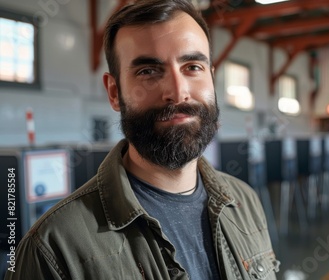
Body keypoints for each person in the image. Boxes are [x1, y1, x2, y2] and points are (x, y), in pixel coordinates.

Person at [5, 0, 279, 279]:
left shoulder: (244, 202)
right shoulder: (54, 248)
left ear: (211, 77)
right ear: (114, 92)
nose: (177, 91)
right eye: (148, 71)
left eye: (192, 66)